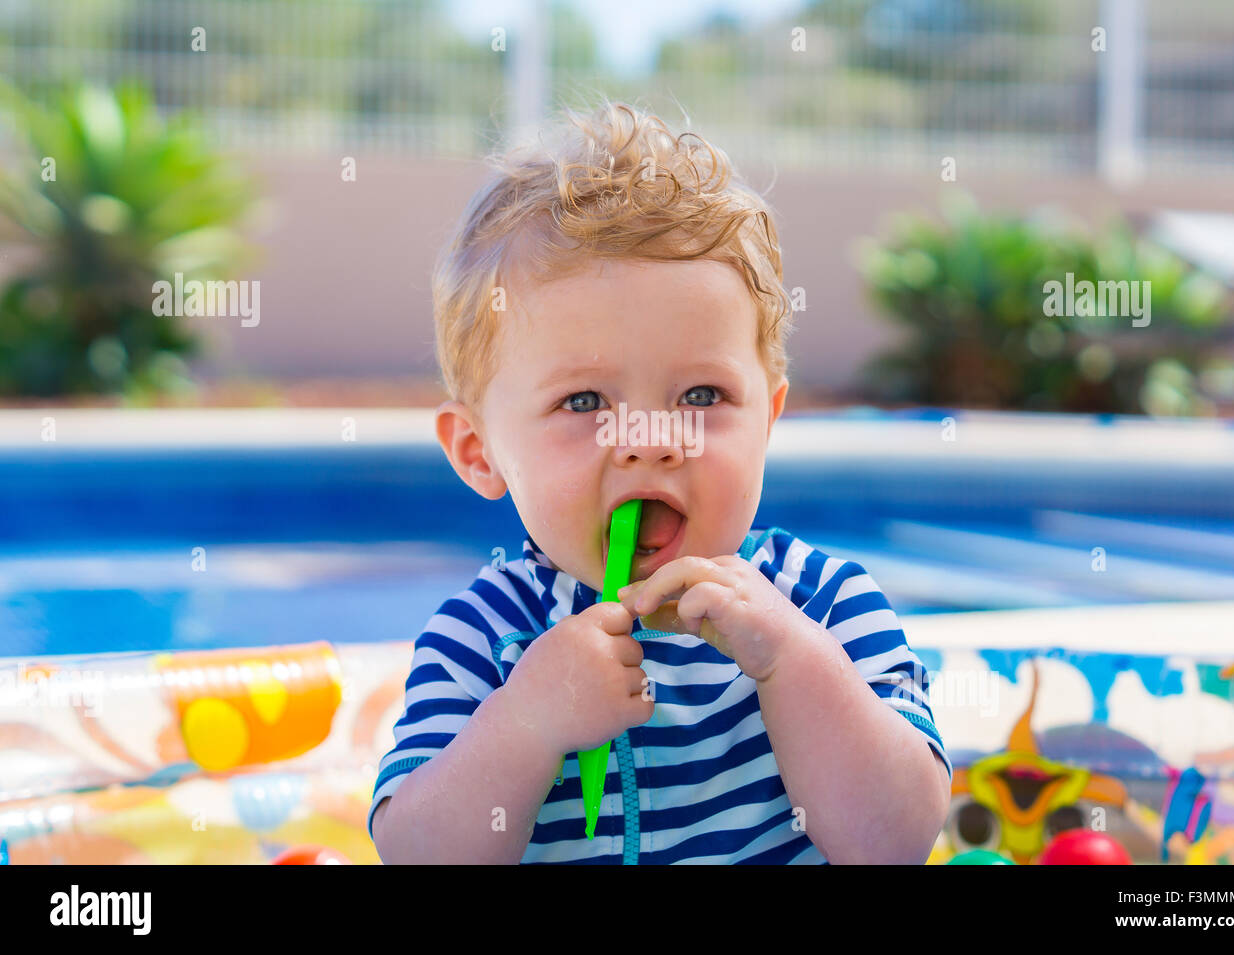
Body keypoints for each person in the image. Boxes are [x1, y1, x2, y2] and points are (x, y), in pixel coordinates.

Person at [369, 99, 950, 863]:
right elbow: (417, 853)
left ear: (766, 420)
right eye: (584, 402)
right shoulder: (482, 639)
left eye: (701, 397)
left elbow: (897, 842)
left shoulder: (825, 605)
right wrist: (529, 722)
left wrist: (792, 663)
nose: (649, 441)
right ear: (479, 451)